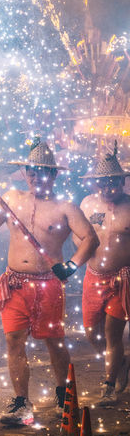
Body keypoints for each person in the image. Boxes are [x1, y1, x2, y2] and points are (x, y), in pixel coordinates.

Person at [0, 139, 98, 426]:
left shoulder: (65, 207)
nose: (35, 176)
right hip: (15, 283)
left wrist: (71, 266)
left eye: (41, 171)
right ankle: (21, 402)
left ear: (54, 174)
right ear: (25, 173)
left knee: (55, 342)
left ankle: (64, 397)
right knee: (13, 341)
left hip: (48, 285)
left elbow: (90, 239)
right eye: (30, 171)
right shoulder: (12, 196)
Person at [79, 144, 130, 406]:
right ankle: (120, 362)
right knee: (91, 332)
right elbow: (80, 236)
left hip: (121, 279)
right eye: (103, 183)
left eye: (113, 182)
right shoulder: (87, 204)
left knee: (112, 331)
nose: (108, 188)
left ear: (122, 181)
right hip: (92, 276)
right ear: (96, 183)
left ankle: (109, 385)